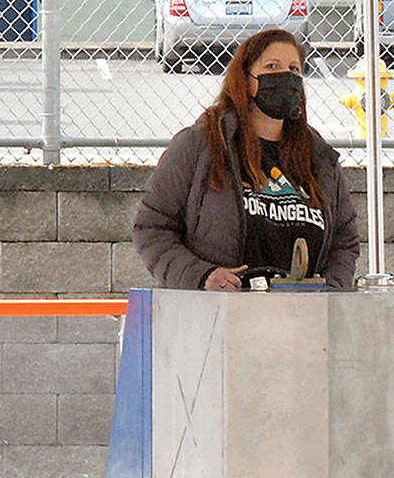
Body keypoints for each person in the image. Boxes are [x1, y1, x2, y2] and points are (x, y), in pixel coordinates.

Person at [134, 29, 358, 291]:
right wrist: (203, 277)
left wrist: (331, 291)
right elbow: (152, 228)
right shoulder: (201, 145)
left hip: (303, 320)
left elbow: (345, 241)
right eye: (272, 66)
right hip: (221, 316)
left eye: (294, 69)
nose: (285, 75)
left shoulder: (318, 157)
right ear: (246, 79)